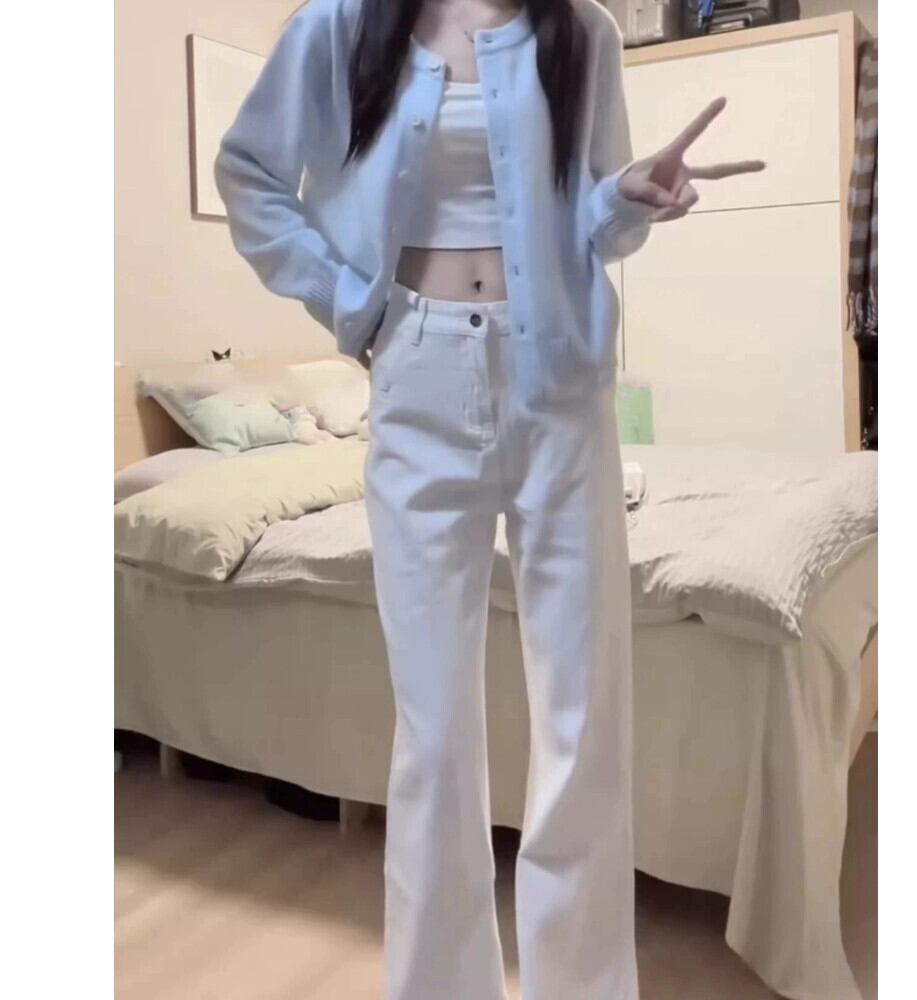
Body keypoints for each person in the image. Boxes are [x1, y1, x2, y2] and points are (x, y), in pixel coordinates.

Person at [214, 2, 764, 997]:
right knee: (432, 730)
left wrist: (626, 198)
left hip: (559, 384)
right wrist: (350, 301)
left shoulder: (583, 31)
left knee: (582, 714)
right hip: (417, 376)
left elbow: (589, 225)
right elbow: (249, 174)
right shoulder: (342, 27)